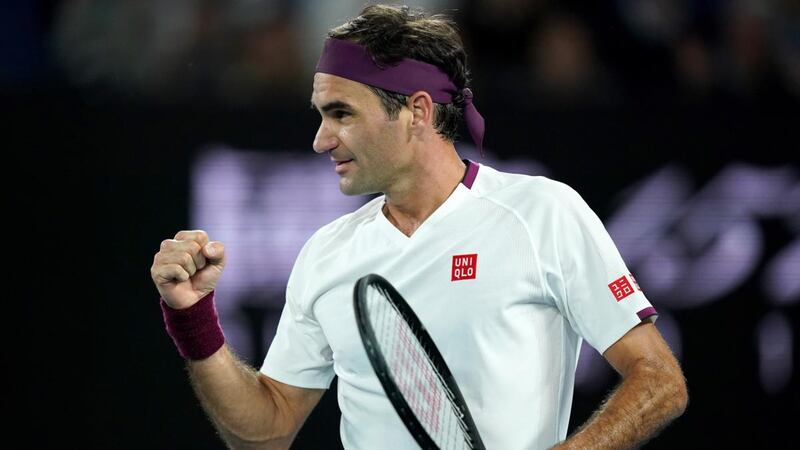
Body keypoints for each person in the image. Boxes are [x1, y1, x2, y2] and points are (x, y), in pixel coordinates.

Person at [150, 5, 687, 449]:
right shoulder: (327, 253)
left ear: (417, 112)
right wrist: (194, 321)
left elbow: (659, 380)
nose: (320, 139)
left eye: (341, 113)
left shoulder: (542, 213)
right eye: (320, 114)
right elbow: (264, 433)